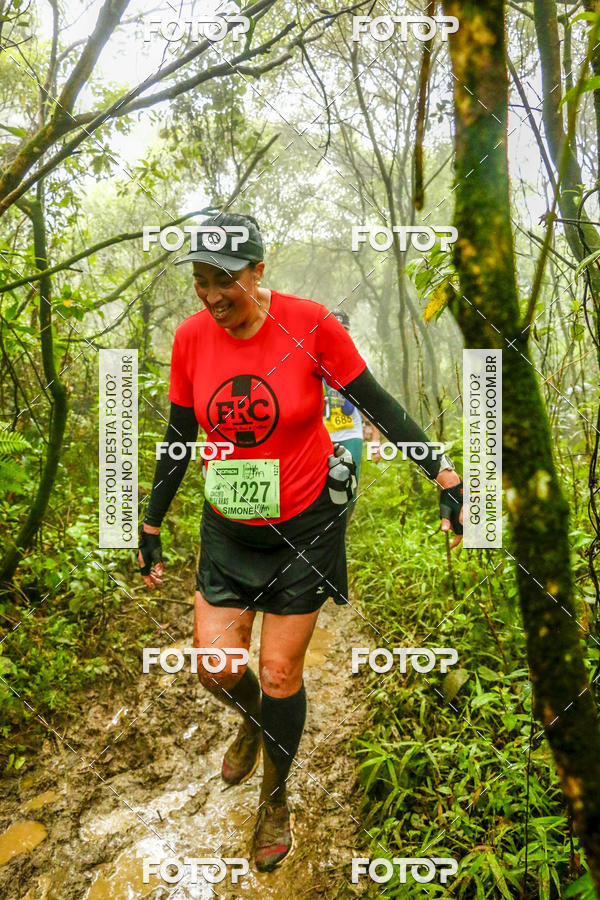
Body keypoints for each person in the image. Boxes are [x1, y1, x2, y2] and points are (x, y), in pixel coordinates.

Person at [138, 212, 463, 873]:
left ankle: (276, 798)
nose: (211, 295)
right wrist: (149, 523)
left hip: (306, 529)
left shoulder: (311, 323)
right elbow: (178, 437)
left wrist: (442, 469)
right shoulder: (191, 339)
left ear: (260, 271)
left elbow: (375, 401)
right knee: (217, 668)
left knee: (283, 671)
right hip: (228, 530)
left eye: (224, 280)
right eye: (200, 281)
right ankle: (252, 715)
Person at [322, 311, 381, 518]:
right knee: (320, 487)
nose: (339, 335)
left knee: (349, 483)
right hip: (321, 434)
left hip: (350, 433)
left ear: (348, 333)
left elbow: (371, 401)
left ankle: (342, 527)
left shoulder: (359, 360)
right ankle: (324, 530)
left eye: (343, 330)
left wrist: (375, 437)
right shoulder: (314, 357)